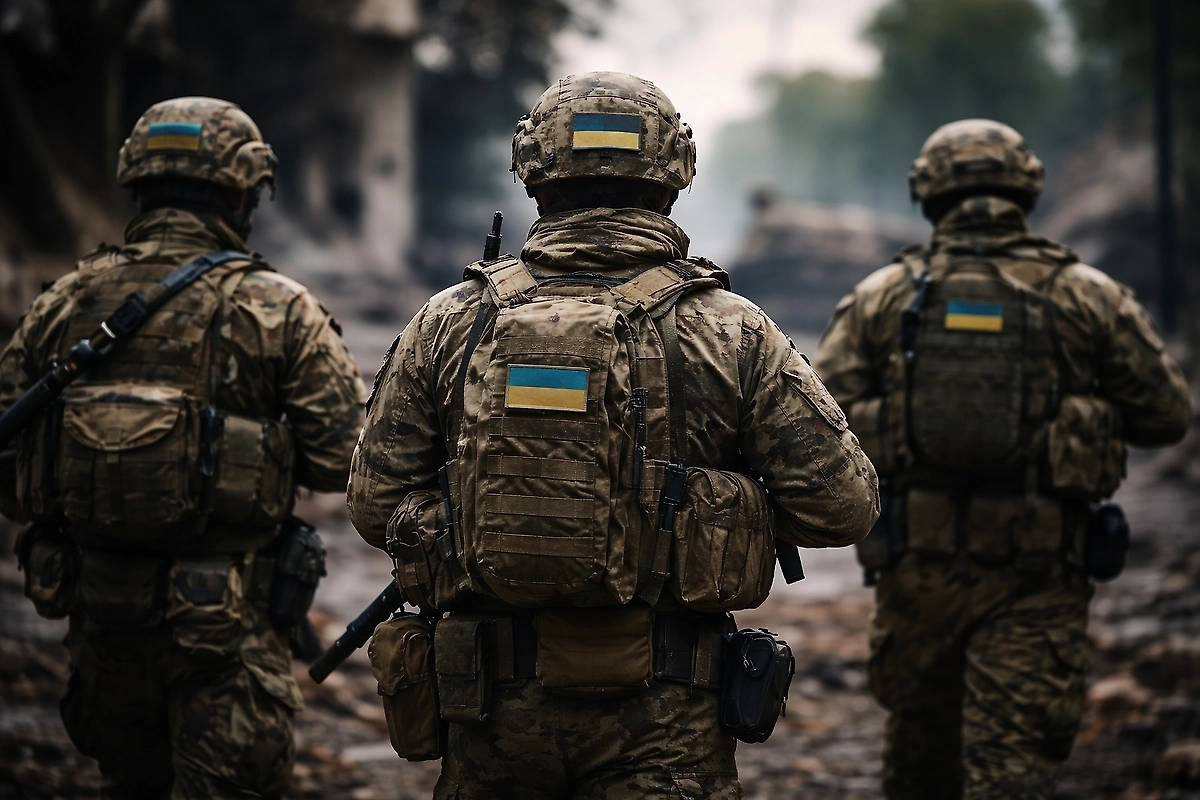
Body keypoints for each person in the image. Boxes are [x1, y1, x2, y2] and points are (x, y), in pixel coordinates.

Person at [348, 71, 879, 799]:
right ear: (674, 172)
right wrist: (701, 512)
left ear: (533, 171)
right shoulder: (732, 330)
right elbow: (843, 509)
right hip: (664, 716)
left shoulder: (450, 320)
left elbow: (375, 504)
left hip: (492, 715)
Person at [814, 118, 1192, 800]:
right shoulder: (1087, 293)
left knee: (921, 765)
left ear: (929, 194)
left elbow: (820, 421)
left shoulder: (881, 295)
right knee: (1011, 773)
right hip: (1038, 575)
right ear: (1027, 189)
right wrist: (1078, 416)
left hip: (917, 573)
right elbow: (1165, 416)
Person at [0, 96, 366, 798]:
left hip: (98, 621)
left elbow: (11, 465)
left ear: (137, 185)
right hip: (225, 629)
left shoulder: (64, 301)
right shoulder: (278, 307)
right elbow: (343, 462)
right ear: (241, 193)